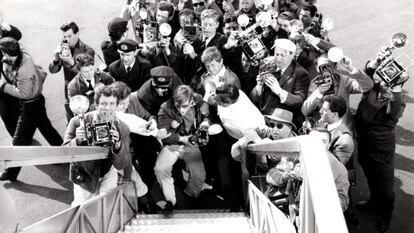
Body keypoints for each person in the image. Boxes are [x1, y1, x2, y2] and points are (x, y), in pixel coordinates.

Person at [355, 50, 407, 233]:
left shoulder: (397, 100)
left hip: (381, 149)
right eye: (386, 75)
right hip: (364, 143)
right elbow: (366, 74)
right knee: (370, 176)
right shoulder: (373, 87)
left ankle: (385, 215)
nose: (385, 80)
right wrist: (377, 60)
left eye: (391, 79)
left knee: (385, 188)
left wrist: (397, 88)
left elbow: (393, 111)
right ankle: (372, 203)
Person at [0, 37, 63, 182]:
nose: (3, 57)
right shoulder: (21, 54)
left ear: (8, 53)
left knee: (18, 142)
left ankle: (11, 173)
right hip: (36, 101)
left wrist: (3, 85)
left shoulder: (23, 70)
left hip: (30, 105)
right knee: (47, 129)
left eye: (4, 54)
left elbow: (24, 93)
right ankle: (63, 154)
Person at [64, 85, 134, 206]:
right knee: (83, 209)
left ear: (117, 106)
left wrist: (118, 146)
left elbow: (122, 164)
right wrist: (77, 141)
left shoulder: (122, 128)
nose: (107, 108)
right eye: (103, 103)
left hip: (108, 173)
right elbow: (64, 154)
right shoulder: (77, 122)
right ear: (96, 105)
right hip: (84, 175)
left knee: (108, 207)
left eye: (112, 104)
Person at [155, 85, 209, 214]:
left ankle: (190, 198)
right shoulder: (165, 109)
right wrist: (181, 138)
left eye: (184, 106)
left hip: (191, 145)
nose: (181, 109)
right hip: (172, 145)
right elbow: (163, 135)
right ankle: (171, 202)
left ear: (191, 101)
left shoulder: (197, 100)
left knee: (199, 175)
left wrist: (206, 122)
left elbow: (206, 111)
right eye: (177, 105)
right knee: (160, 169)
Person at [301, 53, 373, 129]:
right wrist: (319, 92)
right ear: (317, 68)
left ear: (334, 67)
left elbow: (368, 86)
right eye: (321, 67)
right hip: (323, 130)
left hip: (343, 130)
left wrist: (351, 69)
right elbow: (305, 111)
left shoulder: (343, 80)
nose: (325, 70)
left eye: (328, 66)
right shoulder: (315, 84)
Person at [250, 38, 310, 128]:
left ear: (292, 55)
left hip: (281, 124)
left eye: (282, 55)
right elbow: (254, 98)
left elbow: (299, 101)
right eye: (276, 54)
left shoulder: (301, 73)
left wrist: (279, 91)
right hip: (262, 118)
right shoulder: (267, 64)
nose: (278, 58)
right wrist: (259, 86)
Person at [49, 22, 95, 122]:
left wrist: (71, 62)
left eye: (69, 36)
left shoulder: (88, 51)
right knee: (72, 124)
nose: (67, 40)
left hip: (85, 95)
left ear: (77, 34)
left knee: (87, 124)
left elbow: (87, 75)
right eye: (65, 37)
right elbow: (52, 70)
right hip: (69, 94)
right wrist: (56, 59)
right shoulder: (65, 49)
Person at [309, 127, 350, 212]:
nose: (317, 145)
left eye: (323, 141)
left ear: (329, 145)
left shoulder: (338, 168)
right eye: (313, 141)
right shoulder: (301, 157)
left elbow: (343, 203)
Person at [0, 13, 21, 138]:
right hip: (1, 87)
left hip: (12, 80)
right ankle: (17, 140)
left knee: (18, 113)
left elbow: (18, 35)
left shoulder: (5, 31)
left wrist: (8, 27)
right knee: (6, 116)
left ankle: (22, 139)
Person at [319, 95, 354, 165]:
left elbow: (332, 166)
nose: (320, 111)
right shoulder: (321, 123)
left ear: (334, 114)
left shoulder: (345, 141)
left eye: (325, 110)